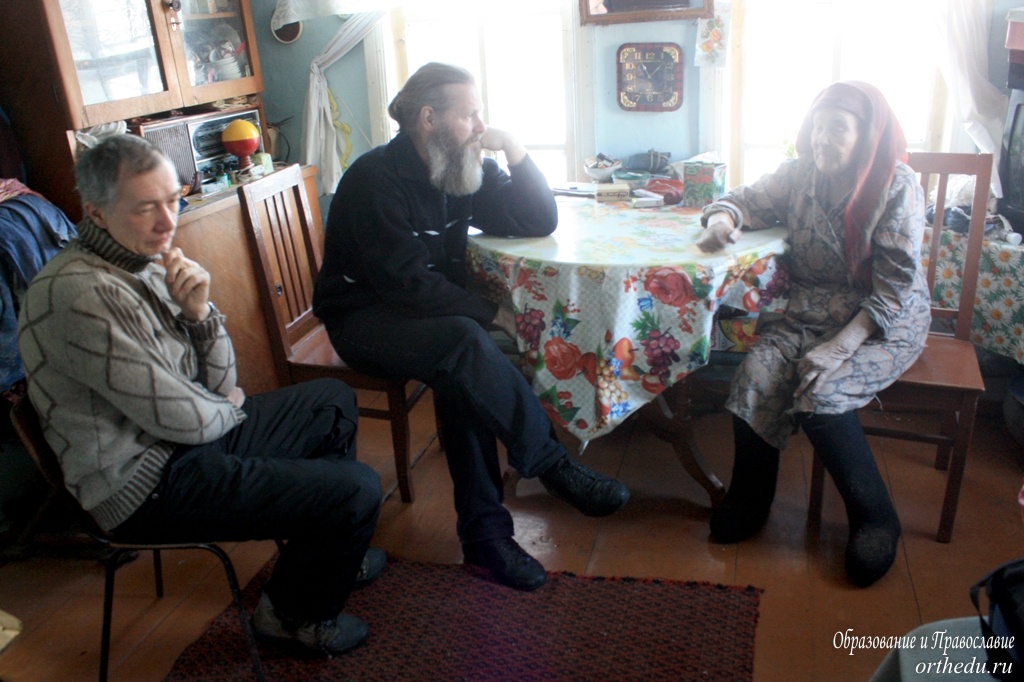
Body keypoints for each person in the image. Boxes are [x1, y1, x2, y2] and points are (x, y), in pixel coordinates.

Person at [18, 134, 385, 657]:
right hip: (142, 486)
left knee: (331, 401)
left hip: (182, 444)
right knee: (356, 489)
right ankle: (291, 618)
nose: (168, 222)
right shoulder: (78, 293)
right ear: (96, 214)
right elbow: (190, 414)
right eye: (146, 208)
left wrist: (201, 317)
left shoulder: (143, 262)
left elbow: (212, 385)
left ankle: (326, 558)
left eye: (173, 200)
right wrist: (227, 408)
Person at [312, 62, 630, 592]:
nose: (481, 125)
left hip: (423, 318)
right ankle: (549, 466)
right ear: (429, 118)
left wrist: (516, 151)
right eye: (470, 115)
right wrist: (490, 312)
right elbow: (406, 285)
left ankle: (487, 543)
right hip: (362, 318)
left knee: (463, 370)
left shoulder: (457, 166)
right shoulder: (374, 181)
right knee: (465, 341)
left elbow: (536, 220)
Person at [696, 81, 931, 586]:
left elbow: (895, 287)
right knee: (755, 373)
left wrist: (840, 346)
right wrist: (721, 221)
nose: (823, 139)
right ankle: (751, 498)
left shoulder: (896, 185)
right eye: (818, 127)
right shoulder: (799, 173)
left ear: (867, 135)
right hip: (807, 311)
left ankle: (874, 517)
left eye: (838, 129)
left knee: (822, 392)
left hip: (881, 320)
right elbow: (741, 200)